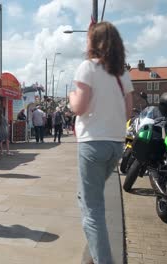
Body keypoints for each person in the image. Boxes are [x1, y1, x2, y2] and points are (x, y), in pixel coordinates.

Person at [69, 21, 133, 264]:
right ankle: (97, 250)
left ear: (94, 43)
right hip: (115, 145)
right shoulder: (122, 74)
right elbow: (128, 112)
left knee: (92, 210)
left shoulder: (87, 68)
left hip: (93, 144)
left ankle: (102, 259)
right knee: (85, 197)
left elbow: (79, 107)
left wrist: (71, 96)